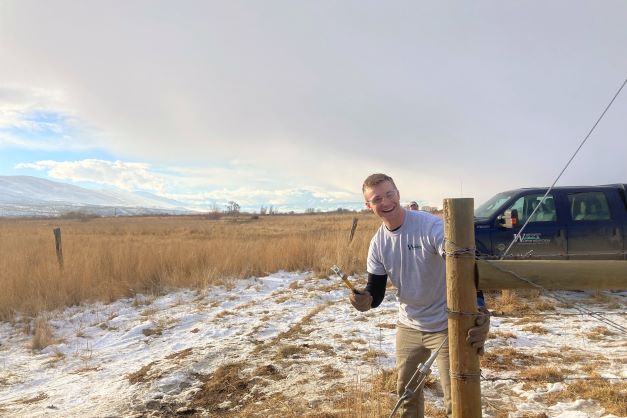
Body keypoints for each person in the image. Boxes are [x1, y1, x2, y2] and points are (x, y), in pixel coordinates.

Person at [349, 173, 490, 418]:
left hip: (447, 324)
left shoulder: (430, 226)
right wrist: (365, 299)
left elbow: (462, 264)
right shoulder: (378, 243)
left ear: (398, 193)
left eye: (389, 194)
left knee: (456, 400)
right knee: (407, 395)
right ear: (368, 206)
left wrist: (478, 306)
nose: (385, 202)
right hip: (409, 325)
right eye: (377, 199)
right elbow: (377, 291)